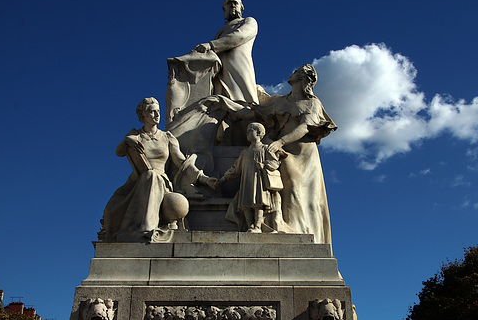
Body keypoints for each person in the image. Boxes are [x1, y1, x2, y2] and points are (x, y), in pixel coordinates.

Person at [214, 64, 337, 243]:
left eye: (297, 72)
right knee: (283, 186)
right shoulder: (280, 101)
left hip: (303, 152)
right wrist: (224, 103)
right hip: (280, 150)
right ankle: (279, 224)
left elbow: (304, 127)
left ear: (303, 80)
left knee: (296, 188)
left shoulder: (312, 103)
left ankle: (302, 231)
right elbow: (252, 114)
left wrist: (280, 141)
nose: (292, 72)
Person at [102, 98, 217, 242]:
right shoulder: (135, 136)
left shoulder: (167, 137)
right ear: (142, 115)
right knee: (112, 209)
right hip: (137, 182)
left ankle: (148, 228)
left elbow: (182, 163)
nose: (157, 115)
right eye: (152, 112)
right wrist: (127, 140)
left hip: (161, 182)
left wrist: (203, 178)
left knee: (153, 176)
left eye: (158, 111)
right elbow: (119, 152)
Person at [215, 123, 284, 232]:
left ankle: (257, 225)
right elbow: (235, 169)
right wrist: (223, 179)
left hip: (260, 182)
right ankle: (249, 225)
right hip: (246, 182)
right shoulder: (245, 152)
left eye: (250, 131)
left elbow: (275, 163)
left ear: (259, 133)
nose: (247, 133)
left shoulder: (265, 149)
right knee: (245, 204)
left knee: (259, 202)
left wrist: (264, 165)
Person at [194, 0, 258, 105]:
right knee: (220, 103)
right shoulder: (220, 31)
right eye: (229, 3)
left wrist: (211, 45)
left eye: (235, 3)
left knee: (245, 102)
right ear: (224, 8)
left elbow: (239, 36)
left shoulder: (248, 21)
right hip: (221, 71)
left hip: (239, 67)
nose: (232, 5)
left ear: (241, 8)